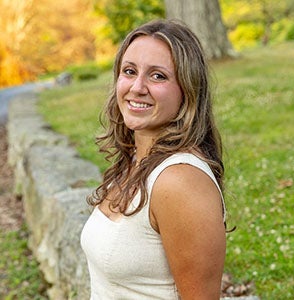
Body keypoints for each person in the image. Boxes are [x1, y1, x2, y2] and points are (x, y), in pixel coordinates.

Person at [81, 19, 227, 300]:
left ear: (188, 90)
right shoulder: (136, 160)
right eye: (129, 71)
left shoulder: (180, 181)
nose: (137, 87)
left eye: (157, 76)